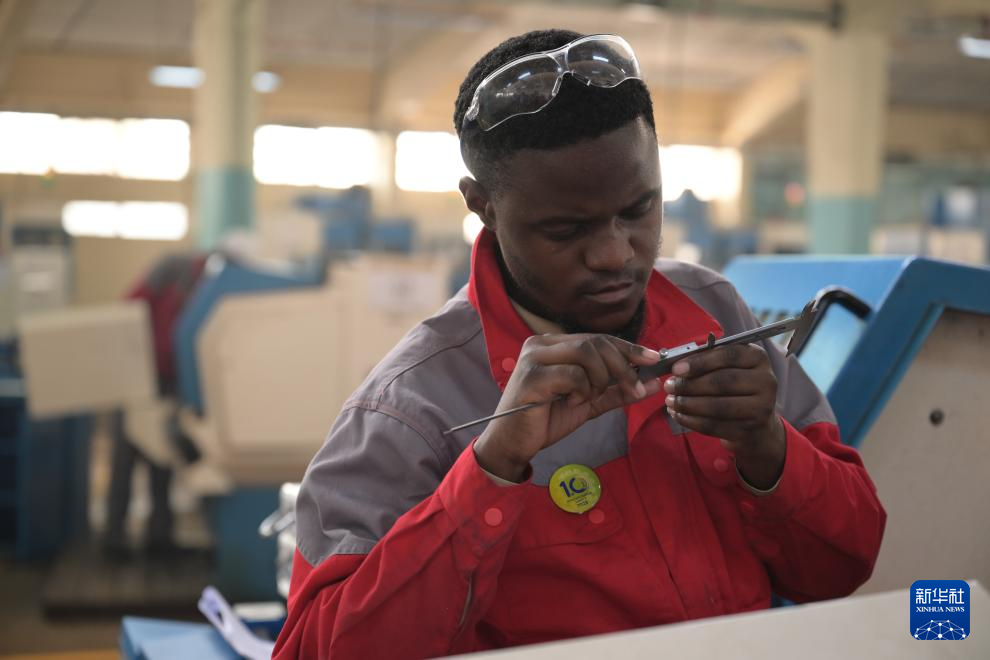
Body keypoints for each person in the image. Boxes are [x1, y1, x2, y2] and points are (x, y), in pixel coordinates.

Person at [274, 29, 885, 658]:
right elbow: (312, 649)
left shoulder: (714, 312)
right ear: (482, 206)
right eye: (566, 230)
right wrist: (491, 469)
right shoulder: (412, 410)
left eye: (638, 210)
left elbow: (845, 563)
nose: (615, 255)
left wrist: (768, 448)